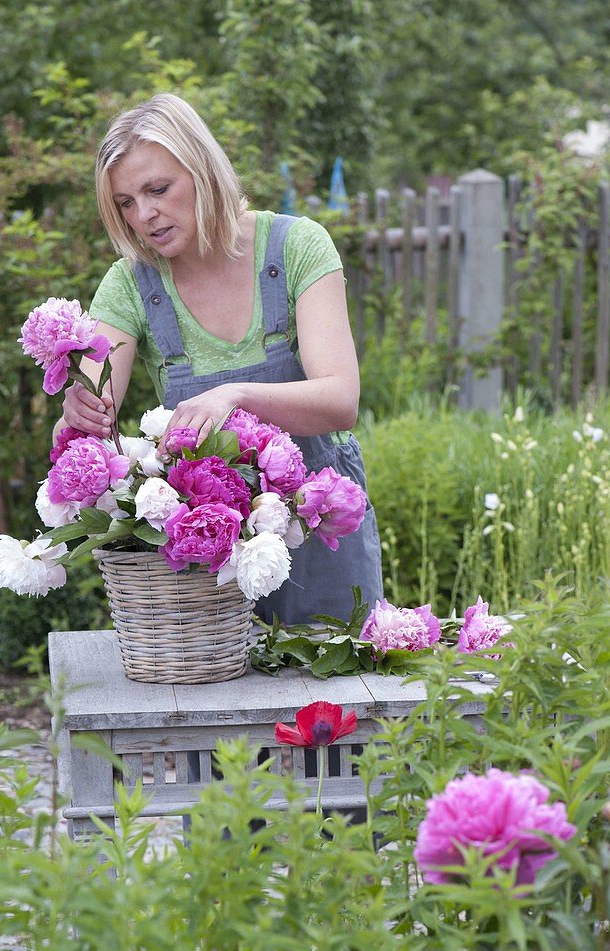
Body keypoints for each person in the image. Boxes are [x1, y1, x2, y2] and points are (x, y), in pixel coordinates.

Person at [56, 92, 382, 626]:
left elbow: (339, 401)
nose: (145, 215)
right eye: (125, 203)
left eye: (158, 189)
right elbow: (97, 398)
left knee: (338, 699)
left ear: (202, 168)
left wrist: (234, 397)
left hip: (322, 533)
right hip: (209, 556)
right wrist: (80, 412)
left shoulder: (297, 248)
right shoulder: (131, 286)